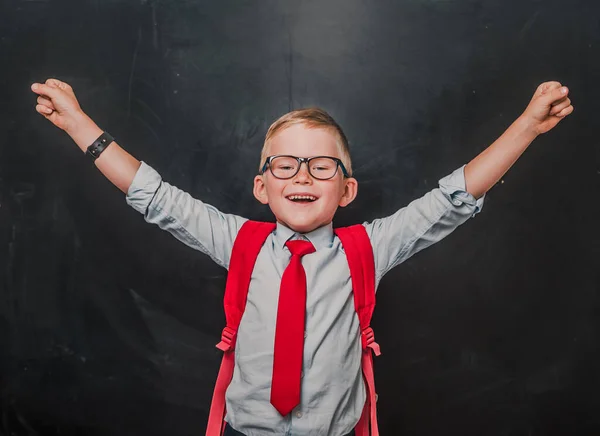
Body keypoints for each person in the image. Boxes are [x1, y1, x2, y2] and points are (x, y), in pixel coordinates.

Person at [31, 78, 573, 436]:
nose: (303, 176)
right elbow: (155, 195)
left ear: (348, 190)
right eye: (284, 166)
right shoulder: (236, 239)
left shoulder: (370, 247)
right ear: (262, 187)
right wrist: (79, 124)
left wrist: (526, 125)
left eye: (322, 166)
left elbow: (452, 199)